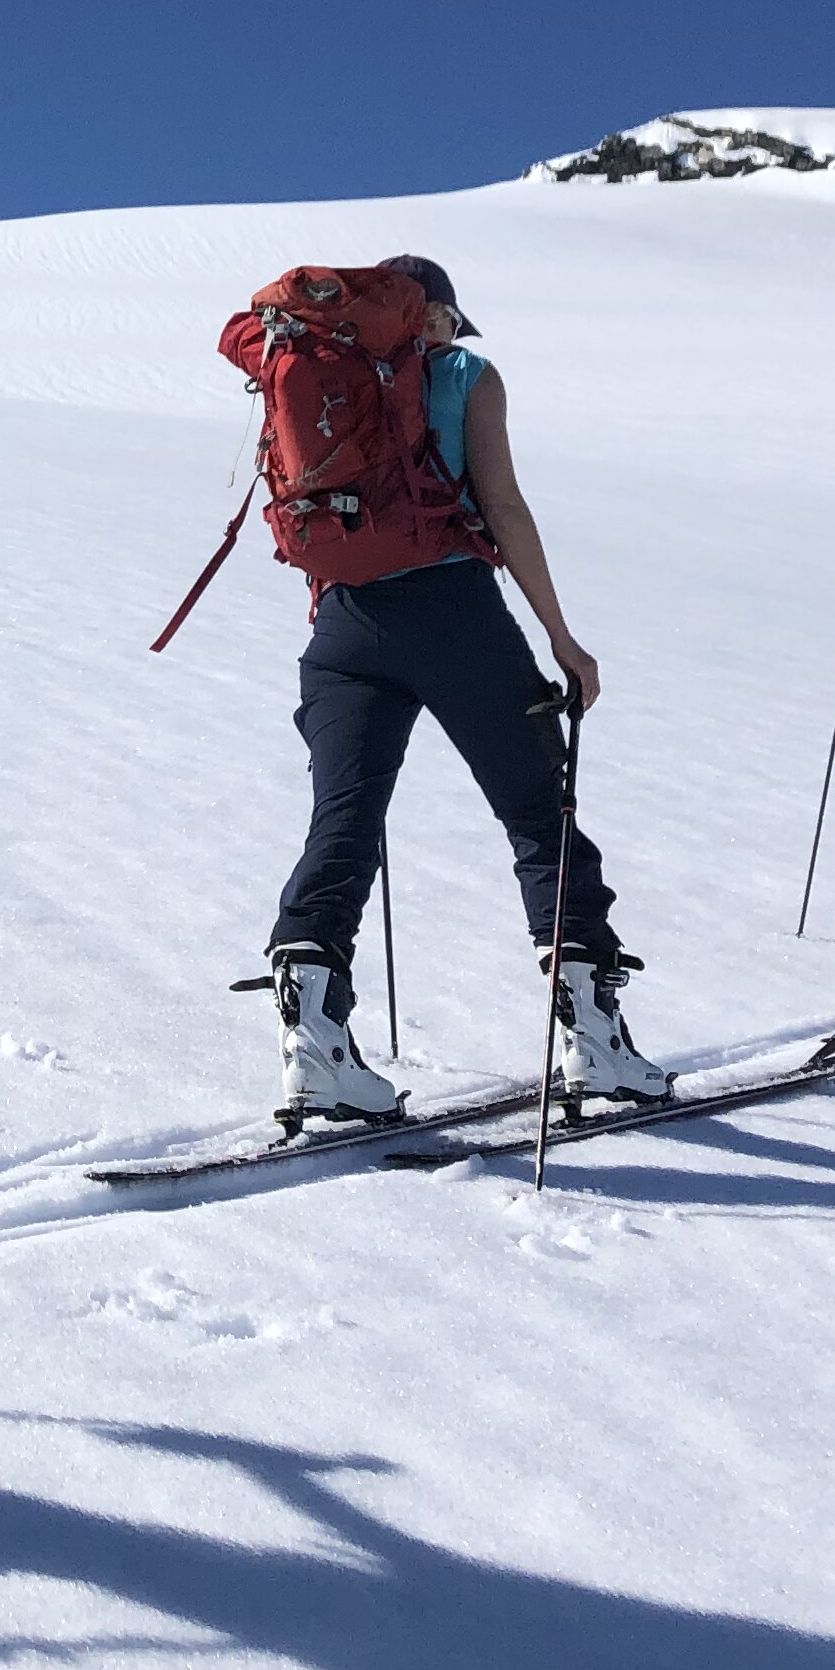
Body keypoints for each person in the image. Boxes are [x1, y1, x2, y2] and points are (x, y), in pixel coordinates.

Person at [261, 254, 666, 1122]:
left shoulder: (318, 369)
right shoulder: (467, 375)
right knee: (535, 810)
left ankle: (314, 1047)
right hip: (455, 612)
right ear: (433, 314)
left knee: (344, 820)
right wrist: (562, 637)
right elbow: (506, 506)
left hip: (342, 627)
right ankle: (595, 1040)